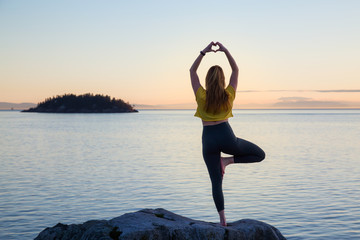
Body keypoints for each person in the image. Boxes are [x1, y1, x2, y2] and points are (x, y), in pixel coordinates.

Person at [190, 42, 265, 226]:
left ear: (207, 80)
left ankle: (223, 220)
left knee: (216, 182)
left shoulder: (201, 95)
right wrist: (225, 51)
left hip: (208, 139)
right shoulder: (229, 94)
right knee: (260, 155)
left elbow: (192, 71)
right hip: (226, 136)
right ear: (222, 80)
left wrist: (204, 52)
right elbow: (236, 69)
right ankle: (228, 160)